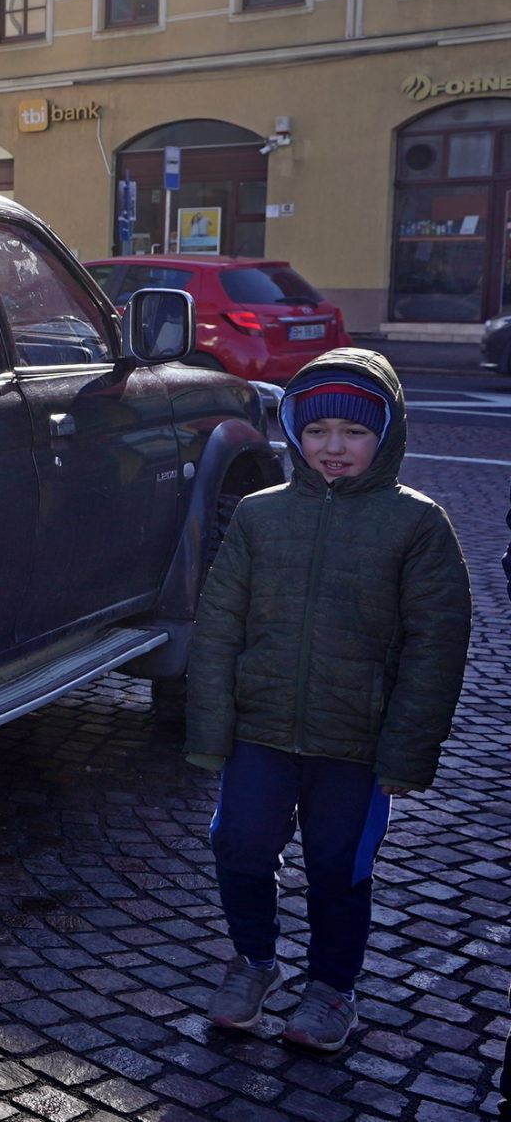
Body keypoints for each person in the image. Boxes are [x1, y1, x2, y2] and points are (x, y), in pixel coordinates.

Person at [188, 349, 470, 1052]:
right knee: (240, 843)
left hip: (356, 739)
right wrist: (209, 726)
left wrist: (408, 748)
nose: (333, 447)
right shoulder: (260, 515)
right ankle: (253, 959)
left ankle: (332, 987)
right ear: (293, 432)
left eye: (352, 431)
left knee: (339, 864)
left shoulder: (417, 524)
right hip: (262, 727)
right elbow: (220, 622)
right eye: (317, 431)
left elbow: (436, 646)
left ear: (386, 435)